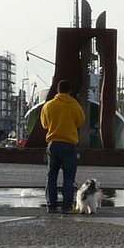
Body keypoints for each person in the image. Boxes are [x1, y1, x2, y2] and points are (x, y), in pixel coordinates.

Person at [40, 80, 87, 213]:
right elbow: (80, 122)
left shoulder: (49, 105)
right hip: (69, 144)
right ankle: (66, 206)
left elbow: (45, 124)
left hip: (53, 144)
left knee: (51, 176)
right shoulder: (74, 105)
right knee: (68, 177)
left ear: (58, 90)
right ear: (70, 91)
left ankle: (51, 205)